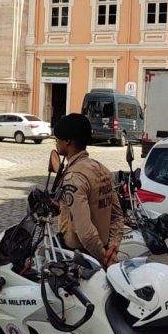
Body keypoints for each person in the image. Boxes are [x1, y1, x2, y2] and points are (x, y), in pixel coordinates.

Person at [53, 112, 124, 269]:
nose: (56, 143)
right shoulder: (101, 169)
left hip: (81, 258)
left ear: (68, 141)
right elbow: (118, 216)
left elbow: (84, 232)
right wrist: (112, 247)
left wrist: (102, 258)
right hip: (103, 250)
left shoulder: (74, 178)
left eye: (57, 139)